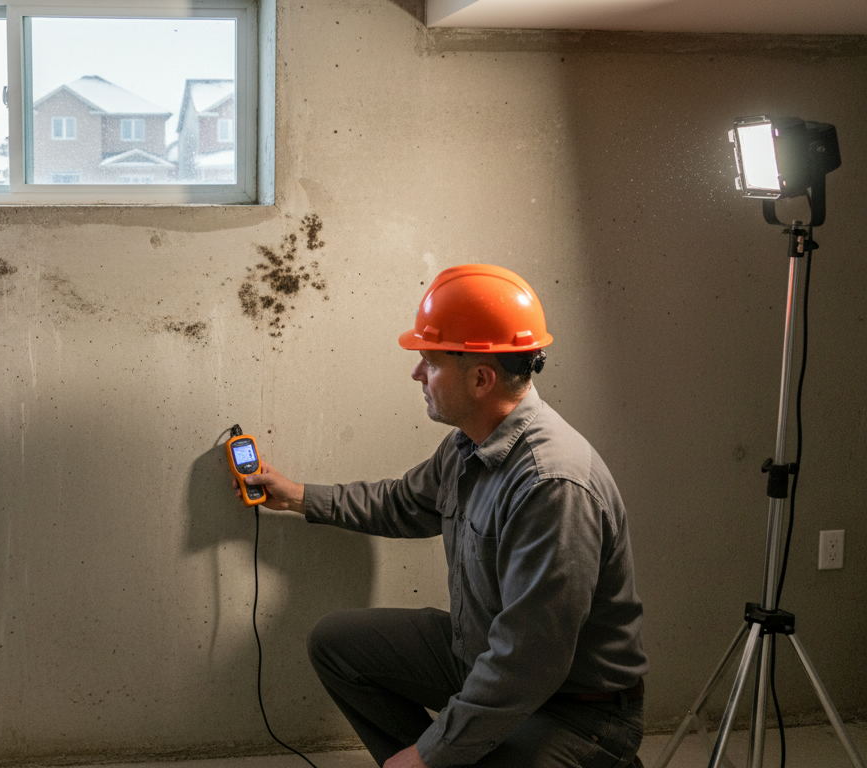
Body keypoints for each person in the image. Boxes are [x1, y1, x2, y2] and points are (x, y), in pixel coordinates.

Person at [242, 264, 647, 768]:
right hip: (482, 659)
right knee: (337, 644)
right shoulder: (469, 444)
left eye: (430, 362)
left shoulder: (552, 485)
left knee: (438, 754)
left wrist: (428, 754)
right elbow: (401, 503)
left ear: (480, 378)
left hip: (573, 710)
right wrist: (298, 496)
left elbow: (529, 660)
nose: (417, 373)